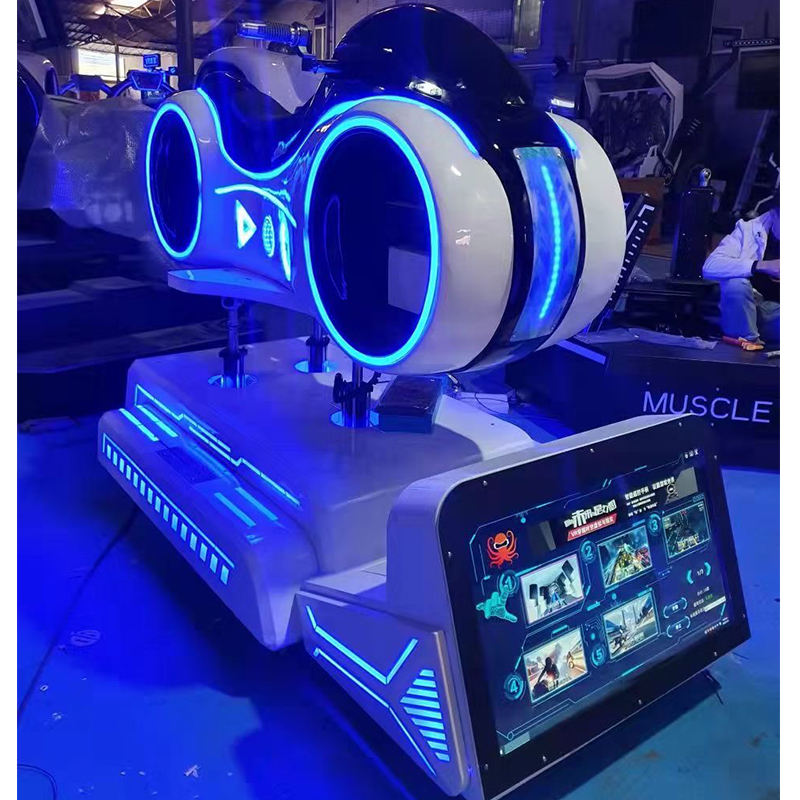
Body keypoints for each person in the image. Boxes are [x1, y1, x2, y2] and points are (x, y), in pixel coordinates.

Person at [702, 199, 779, 343]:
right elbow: (711, 266)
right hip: (748, 306)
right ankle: (746, 341)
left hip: (777, 314)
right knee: (736, 284)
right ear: (774, 214)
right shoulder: (749, 230)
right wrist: (760, 265)